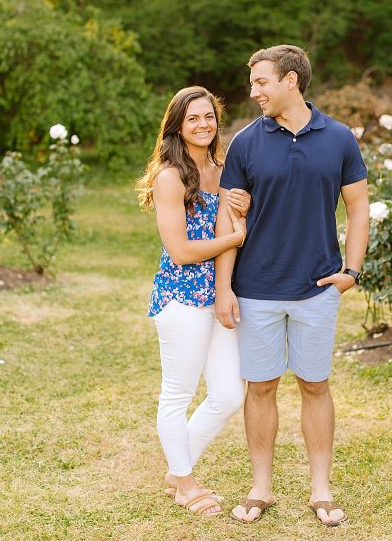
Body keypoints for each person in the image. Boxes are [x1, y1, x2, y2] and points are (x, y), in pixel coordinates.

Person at [213, 44, 370, 526]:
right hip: (256, 288)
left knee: (315, 385)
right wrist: (225, 287)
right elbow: (227, 216)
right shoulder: (244, 143)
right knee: (259, 388)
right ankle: (261, 488)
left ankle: (320, 489)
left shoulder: (339, 138)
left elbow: (359, 208)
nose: (254, 90)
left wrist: (351, 271)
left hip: (316, 288)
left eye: (261, 81)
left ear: (290, 81)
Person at [136, 86, 252, 516]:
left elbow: (236, 218)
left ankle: (176, 468)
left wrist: (243, 204)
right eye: (193, 119)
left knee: (227, 394)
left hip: (218, 296)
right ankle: (185, 483)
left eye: (209, 117)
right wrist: (234, 236)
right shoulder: (170, 176)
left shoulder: (224, 171)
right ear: (177, 126)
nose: (203, 125)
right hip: (181, 298)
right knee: (177, 394)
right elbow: (182, 251)